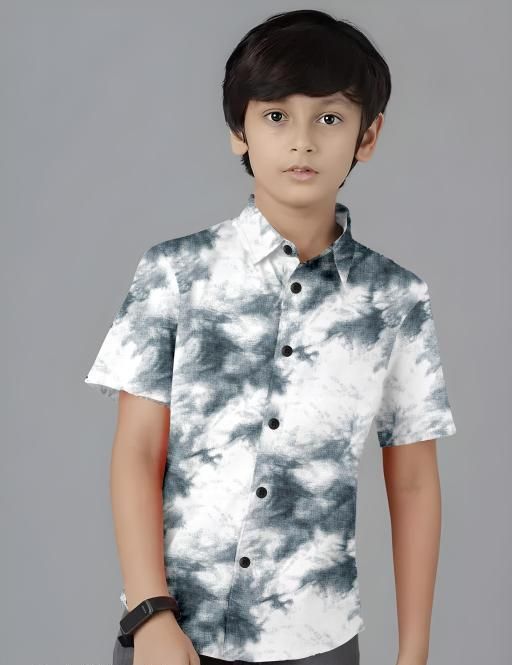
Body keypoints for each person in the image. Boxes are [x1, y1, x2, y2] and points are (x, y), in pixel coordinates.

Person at [84, 9, 456, 665]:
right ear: (240, 131)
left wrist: (414, 652)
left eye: (329, 118)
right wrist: (150, 613)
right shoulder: (175, 273)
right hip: (174, 636)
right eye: (277, 116)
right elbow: (138, 451)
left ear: (368, 136)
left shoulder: (395, 298)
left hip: (317, 639)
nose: (302, 142)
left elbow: (415, 483)